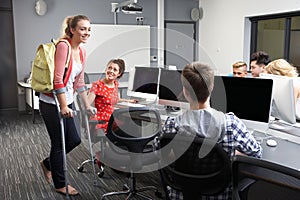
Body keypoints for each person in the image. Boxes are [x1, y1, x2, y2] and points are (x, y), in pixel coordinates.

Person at [162, 62, 262, 200]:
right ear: (212, 88)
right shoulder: (231, 124)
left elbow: (161, 153)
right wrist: (232, 152)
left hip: (180, 193)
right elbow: (256, 153)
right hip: (218, 194)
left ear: (185, 91)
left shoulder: (171, 125)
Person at [39, 15, 95, 196]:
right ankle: (60, 184)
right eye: (82, 29)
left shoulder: (82, 52)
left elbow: (79, 82)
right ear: (72, 30)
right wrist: (63, 105)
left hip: (67, 101)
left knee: (74, 140)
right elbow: (57, 79)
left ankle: (47, 163)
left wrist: (86, 105)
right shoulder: (64, 46)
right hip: (52, 102)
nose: (86, 32)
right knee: (59, 143)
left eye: (88, 29)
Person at [87, 58, 137, 131]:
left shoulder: (115, 84)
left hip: (111, 120)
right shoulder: (97, 85)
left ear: (119, 74)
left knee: (132, 124)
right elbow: (86, 105)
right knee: (130, 127)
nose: (111, 71)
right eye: (109, 68)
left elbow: (114, 99)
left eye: (115, 70)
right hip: (102, 122)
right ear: (106, 69)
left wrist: (129, 101)